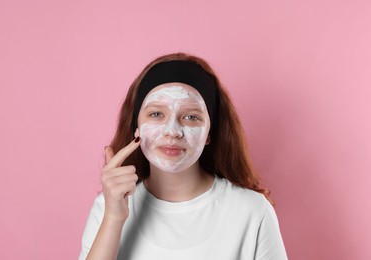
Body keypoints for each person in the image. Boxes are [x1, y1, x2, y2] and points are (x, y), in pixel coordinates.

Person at [79, 53, 288, 260]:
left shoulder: (252, 211)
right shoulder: (108, 207)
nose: (173, 131)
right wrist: (114, 218)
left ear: (209, 133)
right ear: (137, 127)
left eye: (190, 117)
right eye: (156, 114)